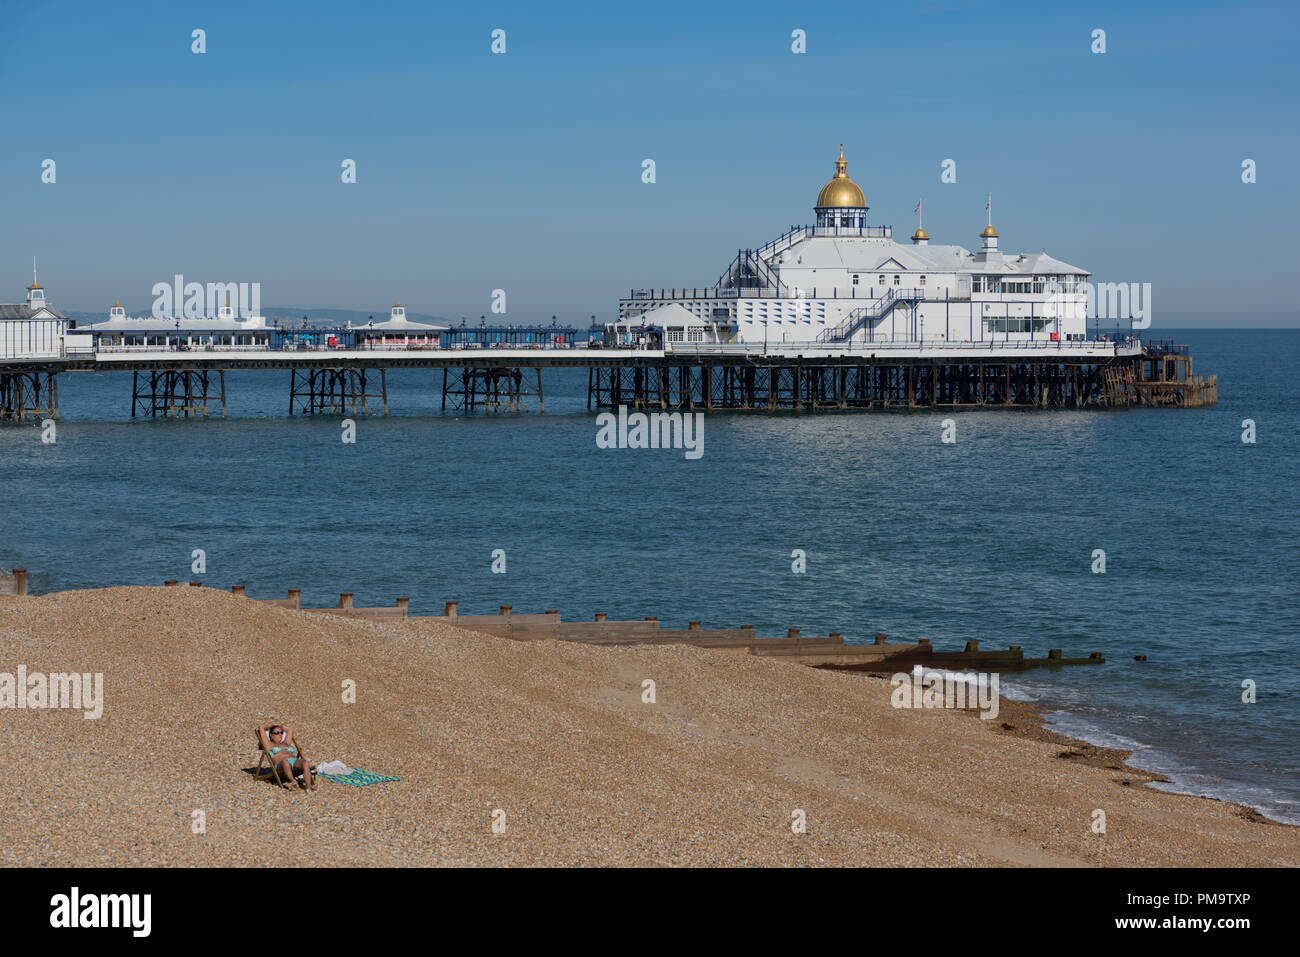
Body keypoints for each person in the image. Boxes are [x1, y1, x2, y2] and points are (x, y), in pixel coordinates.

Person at [258, 722, 316, 791]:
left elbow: (290, 729)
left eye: (281, 732)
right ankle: (293, 781)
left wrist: (279, 725)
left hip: (294, 762)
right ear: (271, 735)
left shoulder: (286, 743)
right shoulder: (268, 745)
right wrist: (273, 725)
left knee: (305, 762)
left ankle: (308, 787)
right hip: (280, 764)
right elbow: (261, 727)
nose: (280, 735)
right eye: (277, 733)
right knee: (285, 762)